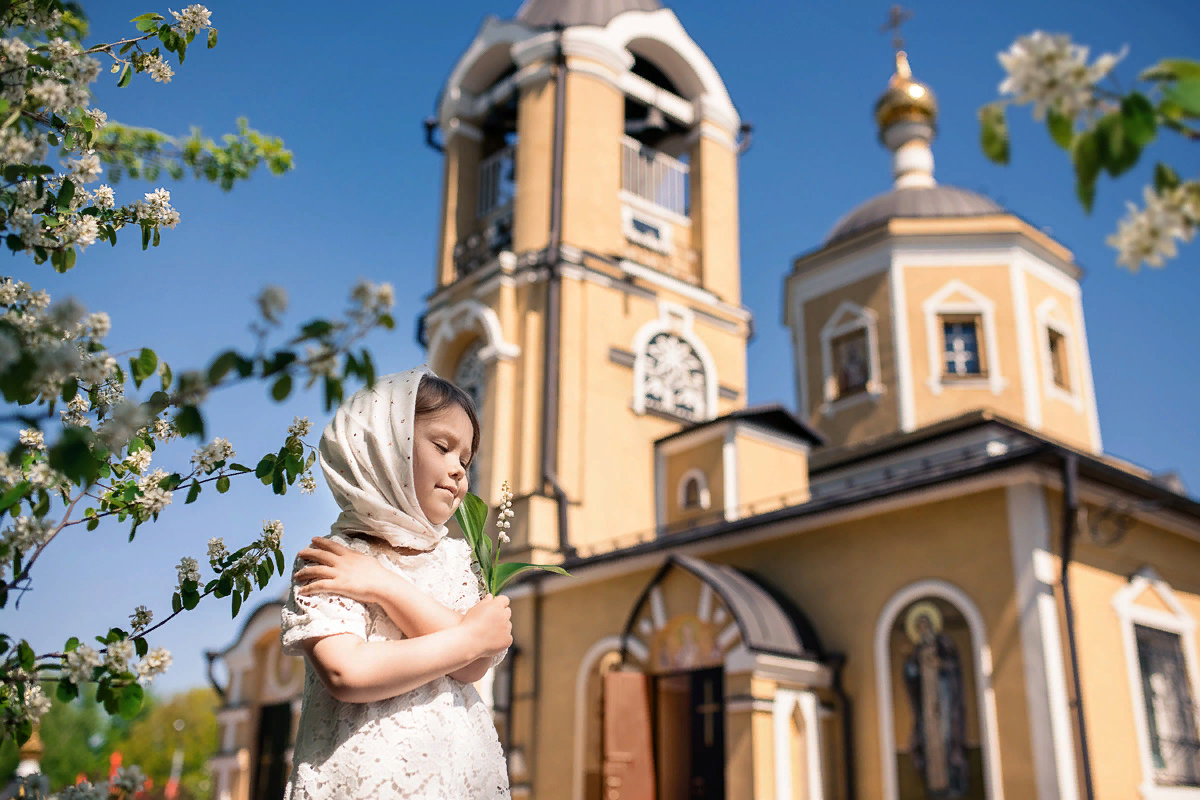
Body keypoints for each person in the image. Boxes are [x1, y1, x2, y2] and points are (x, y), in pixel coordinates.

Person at [279, 367, 513, 799]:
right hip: (361, 783)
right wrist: (471, 637)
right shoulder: (335, 559)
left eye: (466, 460)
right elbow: (345, 670)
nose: (459, 471)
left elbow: (473, 666)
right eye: (443, 447)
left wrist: (383, 587)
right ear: (383, 448)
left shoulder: (456, 560)